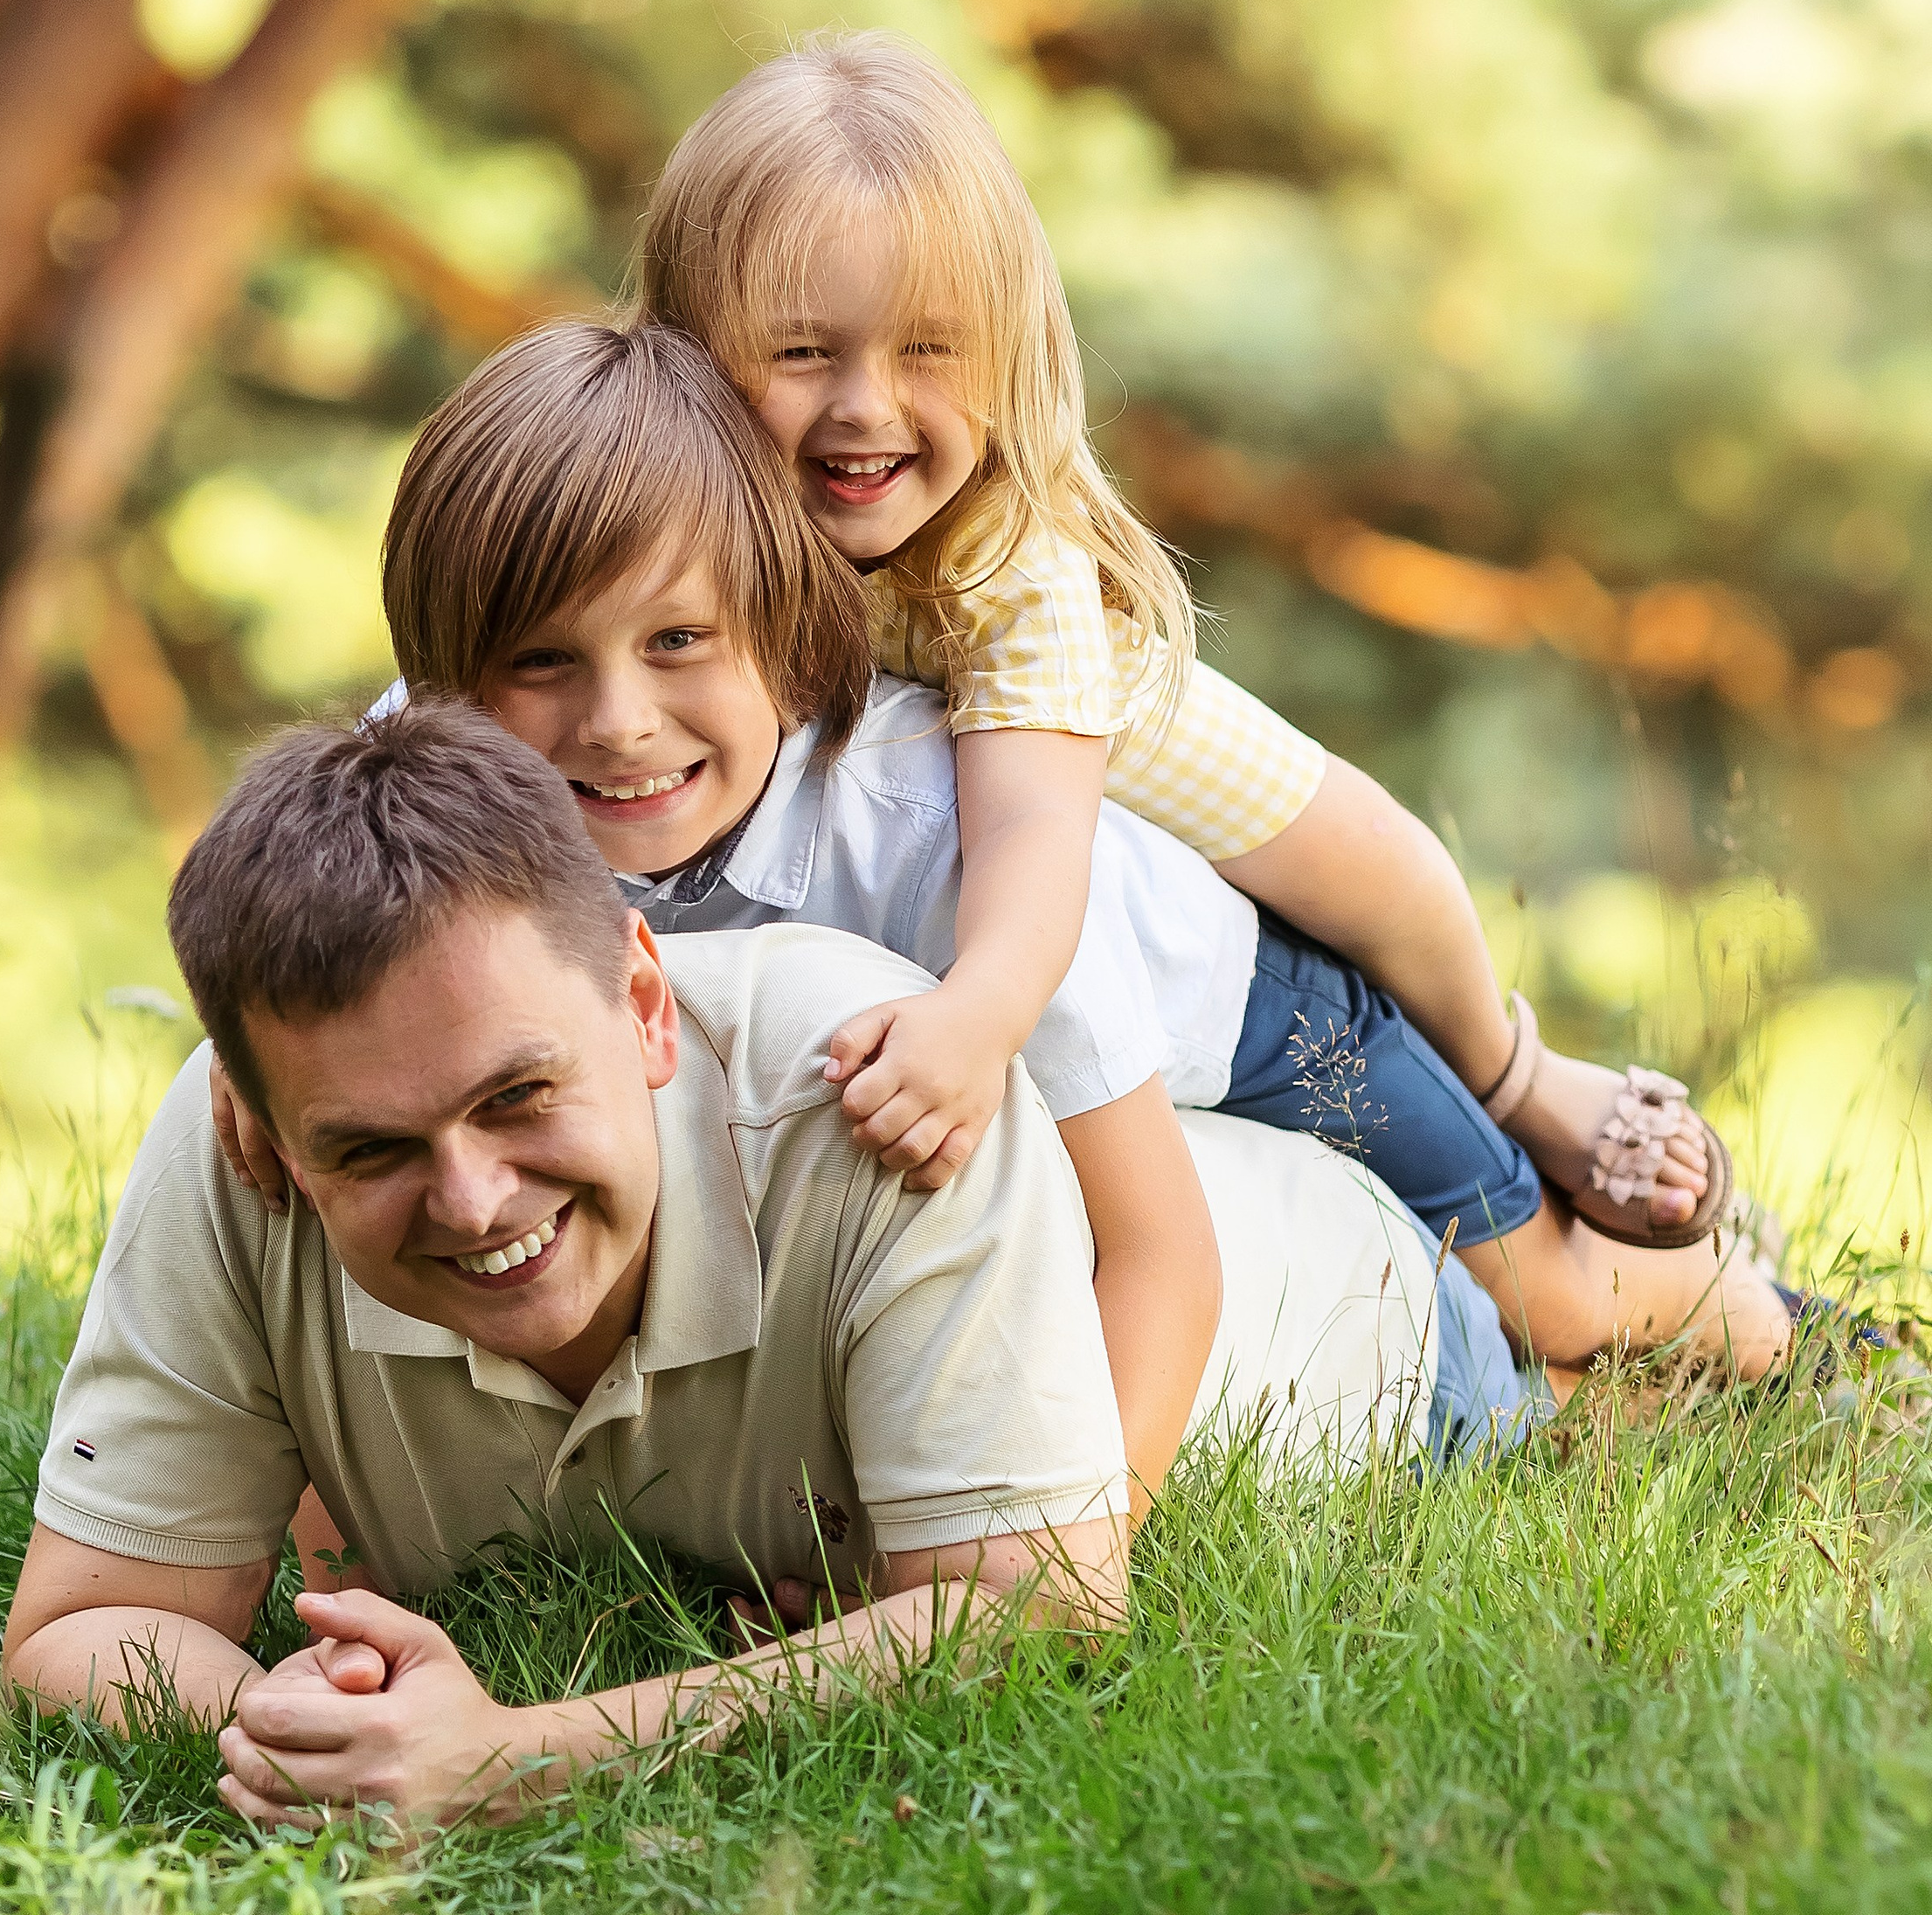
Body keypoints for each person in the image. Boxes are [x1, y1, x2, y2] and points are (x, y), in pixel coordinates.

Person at [320, 320, 1794, 1443]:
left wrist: (1082, 1544)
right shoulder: (467, 768)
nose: (618, 724)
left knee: (1538, 1287)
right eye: (538, 666)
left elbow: (1159, 1244)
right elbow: (322, 893)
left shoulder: (928, 807)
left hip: (1259, 1020)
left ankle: (1732, 1305)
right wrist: (250, 1091)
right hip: (1063, 1050)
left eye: (676, 647)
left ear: (777, 622)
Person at [631, 31, 1735, 1247]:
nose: (866, 405)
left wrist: (980, 1016)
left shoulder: (1005, 568)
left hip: (1167, 785)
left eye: (927, 349)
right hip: (1088, 889)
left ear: (1009, 345)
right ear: (685, 344)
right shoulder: (677, 530)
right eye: (800, 352)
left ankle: (1524, 1077)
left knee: (1391, 876)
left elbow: (1035, 833)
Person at [4, 703, 1138, 1834]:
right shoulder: (230, 1151)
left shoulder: (882, 1095)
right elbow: (76, 1628)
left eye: (517, 1097)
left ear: (644, 1010)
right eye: (371, 1149)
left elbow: (1042, 1607)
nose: (473, 1199)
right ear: (268, 1130)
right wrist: (311, 1739)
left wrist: (517, 1759)